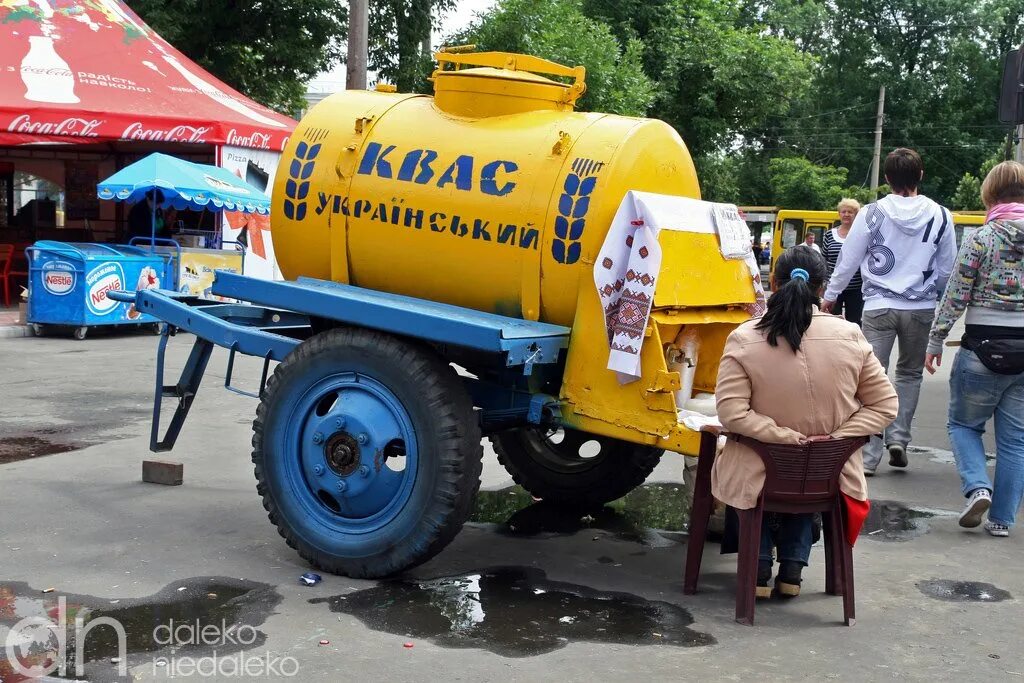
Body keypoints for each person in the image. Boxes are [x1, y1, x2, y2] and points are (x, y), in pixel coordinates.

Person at [712, 246, 898, 597]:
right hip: (829, 475)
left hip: (760, 474)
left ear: (772, 282)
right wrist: (836, 437)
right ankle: (792, 569)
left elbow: (732, 414)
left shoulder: (743, 337)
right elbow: (885, 406)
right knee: (805, 470)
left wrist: (782, 436)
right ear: (821, 288)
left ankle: (759, 564)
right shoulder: (851, 335)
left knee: (739, 459)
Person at [822, 148, 956, 475]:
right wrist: (930, 294)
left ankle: (868, 456)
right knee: (909, 375)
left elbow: (848, 260)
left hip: (879, 306)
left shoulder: (870, 213)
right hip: (920, 308)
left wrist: (830, 295)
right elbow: (946, 269)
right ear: (920, 175)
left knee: (871, 377)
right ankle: (899, 438)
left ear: (886, 179)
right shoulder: (940, 214)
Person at [924, 161, 1024, 537]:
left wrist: (936, 340)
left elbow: (955, 295)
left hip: (981, 348)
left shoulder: (981, 238)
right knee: (1016, 439)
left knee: (964, 424)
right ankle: (1001, 521)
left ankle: (978, 486)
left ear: (990, 193)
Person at [822, 198, 864, 325]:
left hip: (856, 288)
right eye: (843, 211)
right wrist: (824, 285)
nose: (846, 214)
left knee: (855, 322)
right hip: (833, 287)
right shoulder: (829, 235)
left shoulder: (862, 234)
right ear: (839, 214)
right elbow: (824, 260)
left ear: (856, 215)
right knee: (833, 322)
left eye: (850, 212)